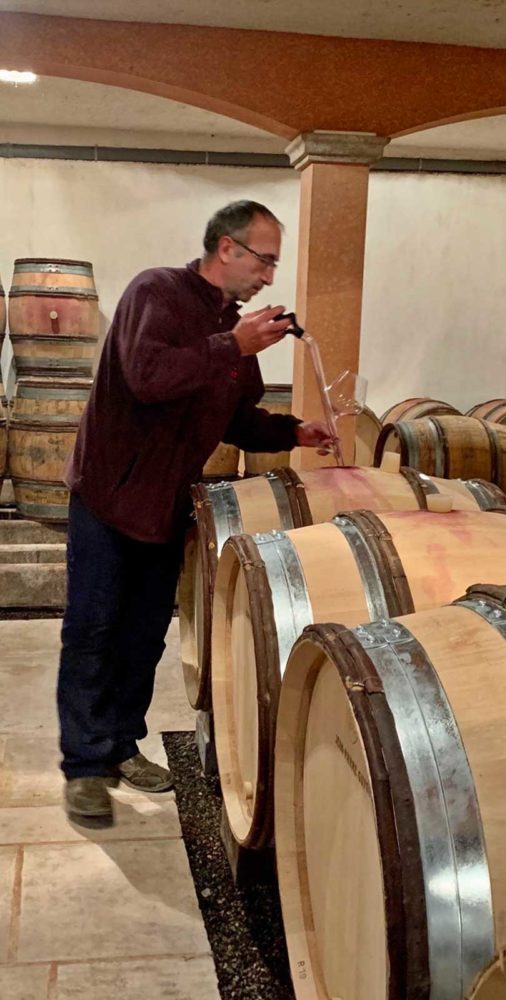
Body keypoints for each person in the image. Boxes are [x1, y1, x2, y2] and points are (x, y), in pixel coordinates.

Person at [58, 200, 334, 827]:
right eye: (265, 260)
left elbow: (237, 419)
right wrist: (231, 344)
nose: (269, 277)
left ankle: (122, 744)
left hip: (163, 504)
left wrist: (297, 431)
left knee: (143, 634)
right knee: (93, 628)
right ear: (227, 247)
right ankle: (84, 766)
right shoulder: (157, 291)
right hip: (108, 495)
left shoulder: (232, 333)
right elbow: (146, 376)